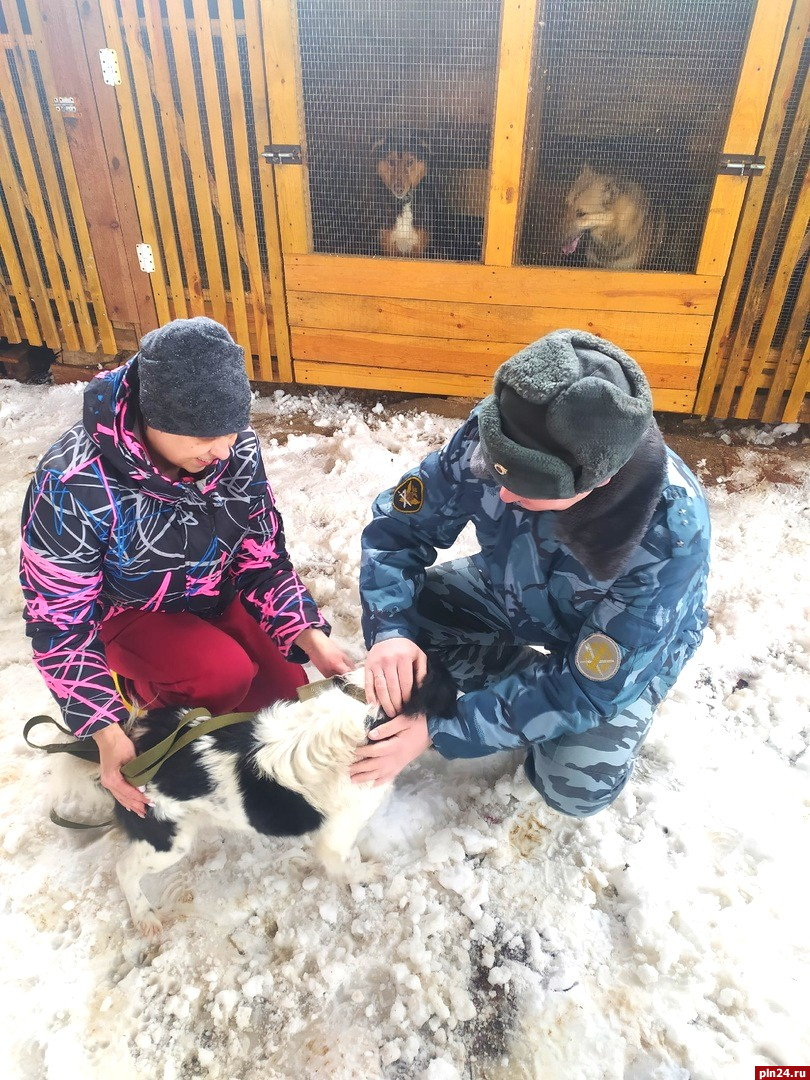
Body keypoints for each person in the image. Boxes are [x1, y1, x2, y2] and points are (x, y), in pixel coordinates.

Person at [351, 329, 710, 817]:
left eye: (526, 488)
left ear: (597, 482)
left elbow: (589, 686)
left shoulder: (667, 532)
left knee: (572, 785)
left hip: (619, 647)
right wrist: (391, 630)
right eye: (498, 472)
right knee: (410, 643)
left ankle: (536, 702)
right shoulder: (497, 435)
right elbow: (396, 529)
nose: (501, 495)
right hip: (513, 586)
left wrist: (442, 730)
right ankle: (523, 688)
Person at [20, 317, 352, 817]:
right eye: (204, 437)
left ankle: (206, 668)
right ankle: (135, 691)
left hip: (213, 591)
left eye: (232, 431)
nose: (224, 450)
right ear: (155, 420)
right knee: (221, 676)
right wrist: (105, 731)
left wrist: (308, 634)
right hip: (129, 611)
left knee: (281, 700)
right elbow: (59, 623)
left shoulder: (229, 447)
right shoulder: (71, 484)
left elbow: (260, 553)